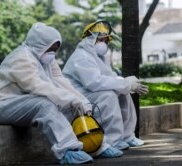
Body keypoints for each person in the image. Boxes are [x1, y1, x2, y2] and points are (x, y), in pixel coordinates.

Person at [0, 22, 97, 165]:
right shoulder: (21, 58)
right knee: (45, 104)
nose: (53, 53)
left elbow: (60, 80)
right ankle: (68, 151)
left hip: (25, 103)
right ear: (40, 44)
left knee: (70, 107)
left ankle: (94, 145)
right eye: (51, 48)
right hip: (2, 106)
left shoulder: (44, 57)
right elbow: (37, 86)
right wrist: (70, 99)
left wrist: (80, 100)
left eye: (55, 49)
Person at [62, 20, 149, 153]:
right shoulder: (81, 56)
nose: (104, 44)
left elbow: (110, 78)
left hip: (91, 93)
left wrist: (127, 83)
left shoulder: (100, 58)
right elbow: (94, 82)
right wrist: (125, 83)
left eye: (106, 40)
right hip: (79, 96)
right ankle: (111, 141)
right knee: (108, 95)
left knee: (122, 92)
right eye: (101, 39)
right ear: (90, 39)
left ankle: (126, 136)